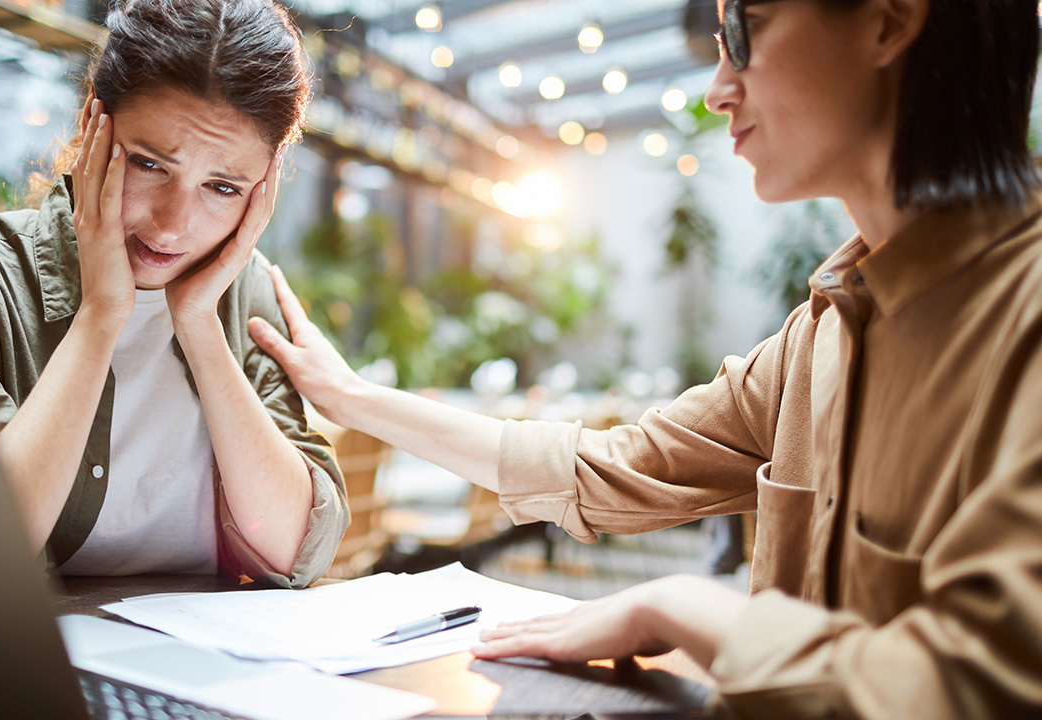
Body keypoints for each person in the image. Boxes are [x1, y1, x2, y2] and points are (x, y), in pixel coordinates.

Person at [247, 0, 1042, 715]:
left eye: (742, 32)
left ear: (889, 19)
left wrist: (677, 607)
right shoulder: (822, 332)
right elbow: (610, 465)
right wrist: (349, 398)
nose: (716, 89)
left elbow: (973, 684)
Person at [0, 0, 347, 589]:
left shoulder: (247, 295)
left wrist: (200, 324)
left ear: (265, 186)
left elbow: (294, 549)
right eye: (151, 165)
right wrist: (102, 315)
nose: (173, 224)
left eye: (223, 187)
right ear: (90, 125)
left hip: (199, 674)